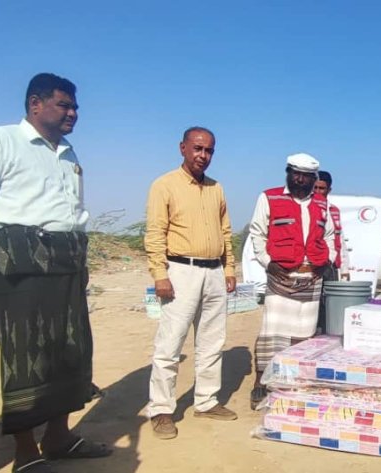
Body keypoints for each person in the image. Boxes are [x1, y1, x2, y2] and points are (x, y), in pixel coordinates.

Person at [0, 73, 111, 473]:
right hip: (19, 262)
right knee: (26, 356)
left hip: (67, 261)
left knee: (69, 350)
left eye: (75, 107)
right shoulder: (0, 141)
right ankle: (26, 453)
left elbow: (71, 214)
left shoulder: (68, 153)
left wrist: (79, 259)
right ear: (35, 104)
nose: (73, 113)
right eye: (64, 105)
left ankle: (59, 438)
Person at [144, 126, 238, 440]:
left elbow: (225, 232)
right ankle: (161, 410)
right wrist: (159, 274)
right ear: (183, 147)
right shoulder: (164, 185)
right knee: (170, 344)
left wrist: (229, 269)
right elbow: (155, 233)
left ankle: (206, 401)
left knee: (212, 341)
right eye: (198, 148)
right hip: (180, 271)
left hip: (214, 272)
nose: (203, 156)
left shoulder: (216, 188)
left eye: (209, 150)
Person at [249, 153, 336, 409]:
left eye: (306, 176)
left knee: (303, 334)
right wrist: (267, 262)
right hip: (281, 276)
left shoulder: (322, 204)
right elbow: (257, 232)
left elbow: (329, 235)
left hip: (312, 277)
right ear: (288, 173)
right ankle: (260, 383)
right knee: (272, 333)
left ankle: (293, 384)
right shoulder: (269, 197)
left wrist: (326, 259)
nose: (300, 180)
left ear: (314, 179)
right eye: (295, 174)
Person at [314, 170, 350, 281]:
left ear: (329, 190)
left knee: (329, 298)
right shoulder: (304, 208)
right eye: (315, 187)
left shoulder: (333, 211)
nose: (317, 191)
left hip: (330, 267)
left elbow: (340, 241)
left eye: (321, 188)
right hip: (312, 265)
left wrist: (345, 270)